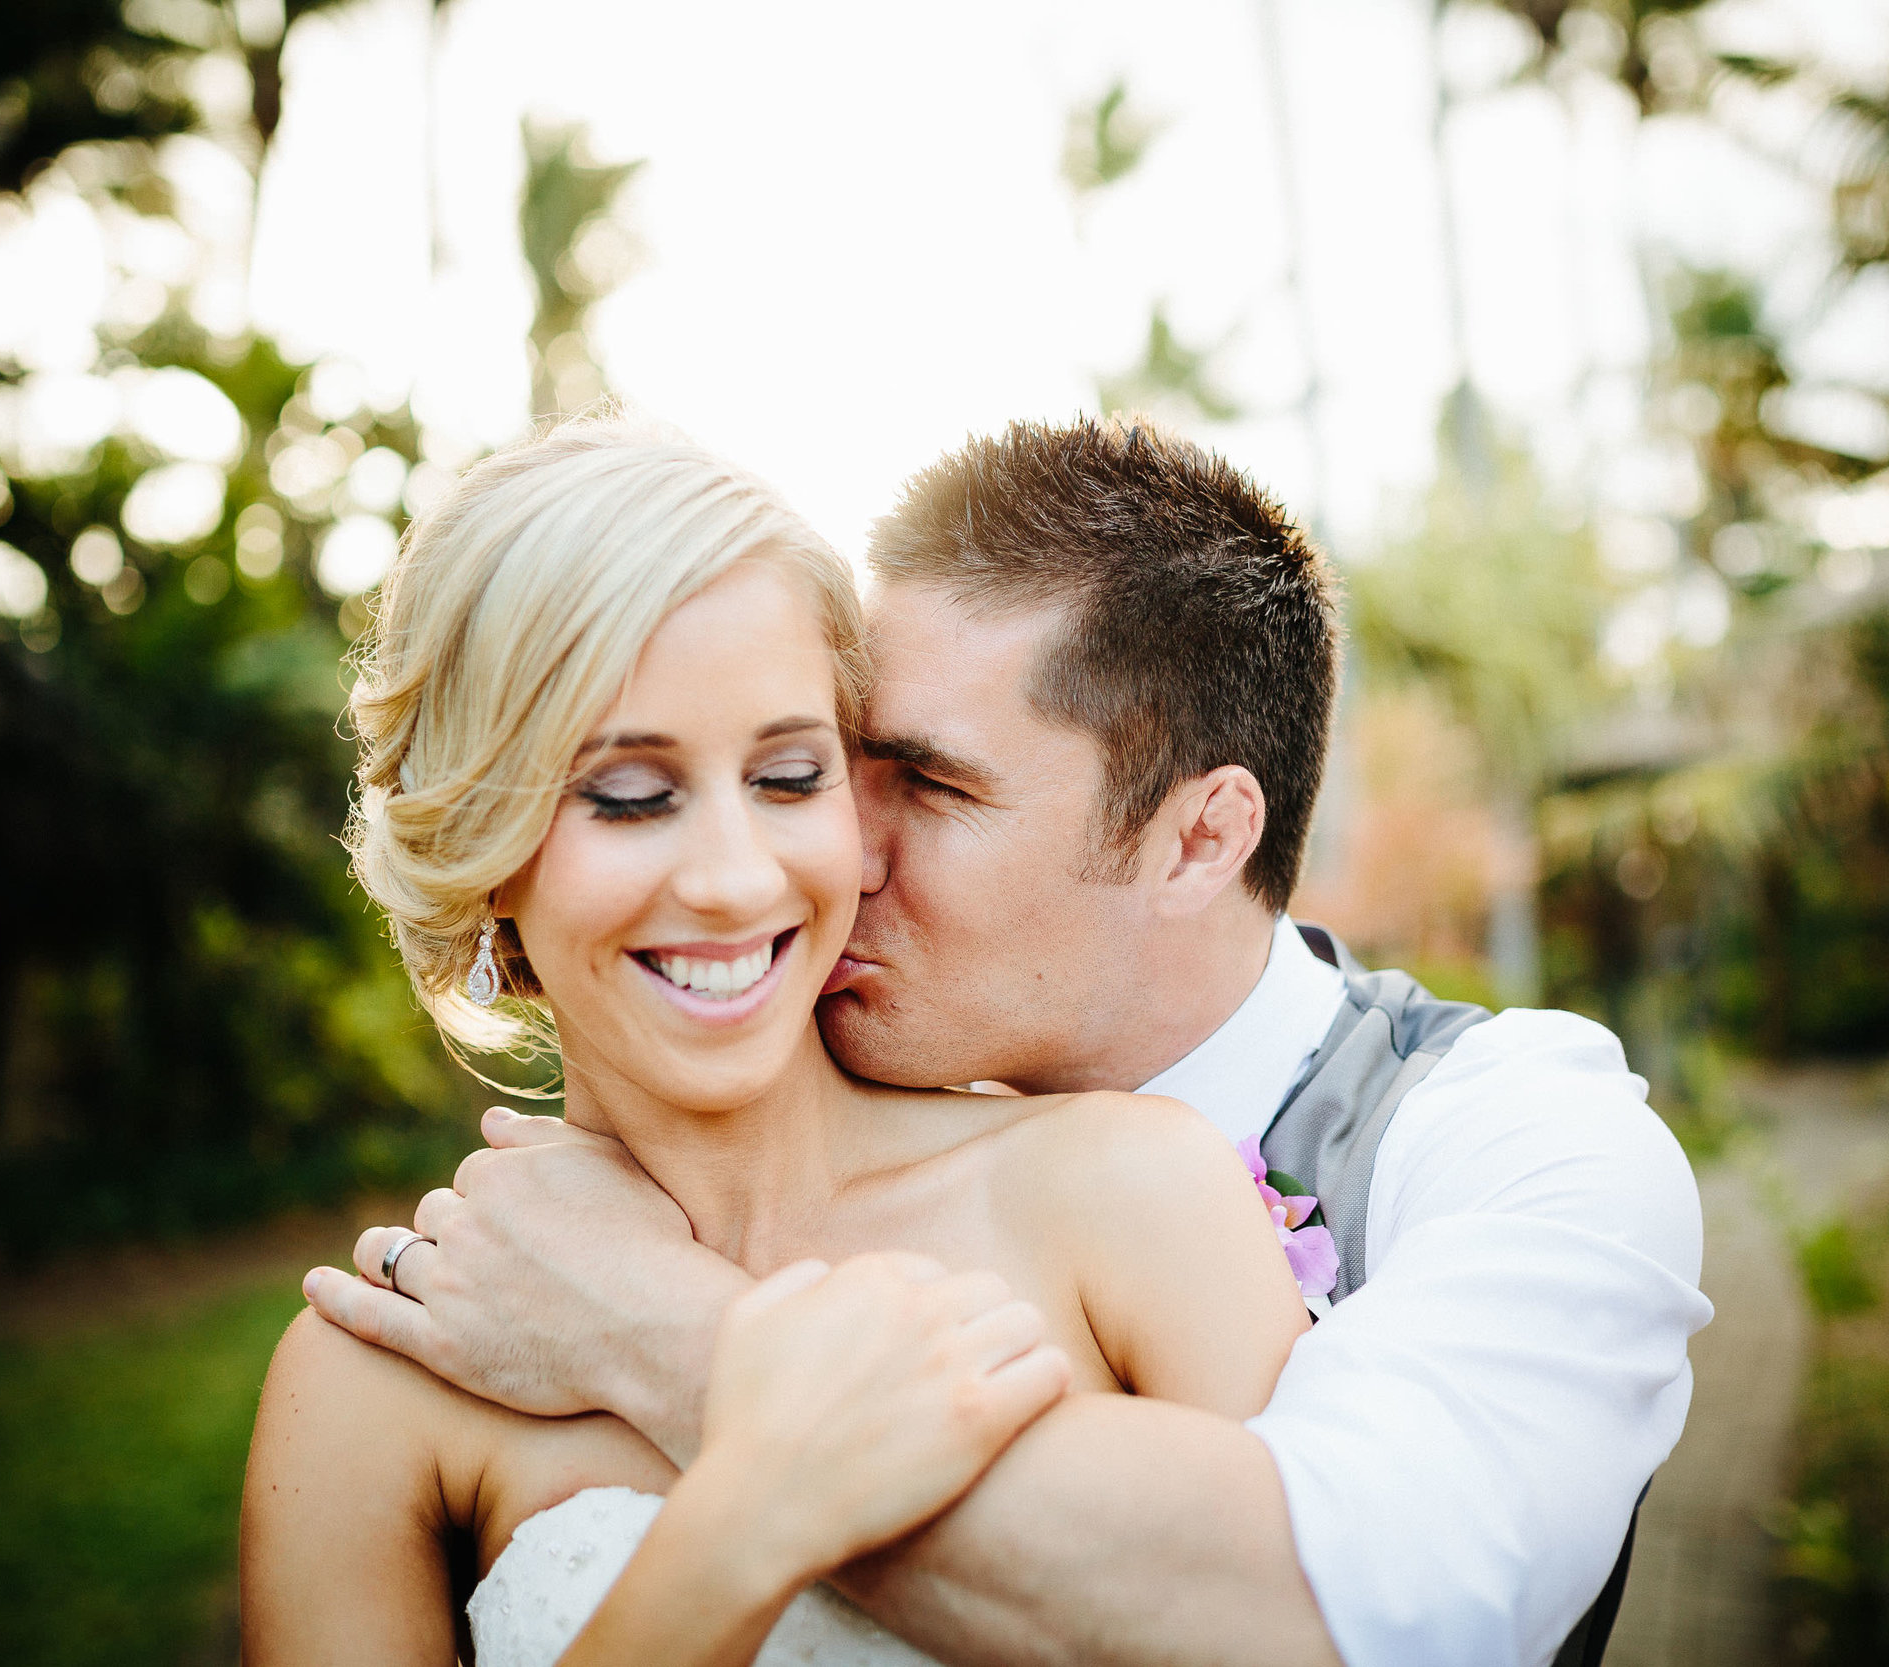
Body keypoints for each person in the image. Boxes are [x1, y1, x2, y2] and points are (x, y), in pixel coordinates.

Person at [308, 416, 1716, 1667]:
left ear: (1199, 838)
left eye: (906, 779)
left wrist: (667, 1336)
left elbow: (1373, 1615)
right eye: (633, 791)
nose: (810, 857)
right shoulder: (386, 1360)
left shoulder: (1511, 1139)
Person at [239, 415, 1325, 1667]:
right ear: (484, 844)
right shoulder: (373, 1378)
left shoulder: (1126, 1191)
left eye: (790, 776)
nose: (732, 878)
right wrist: (746, 1526)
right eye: (630, 795)